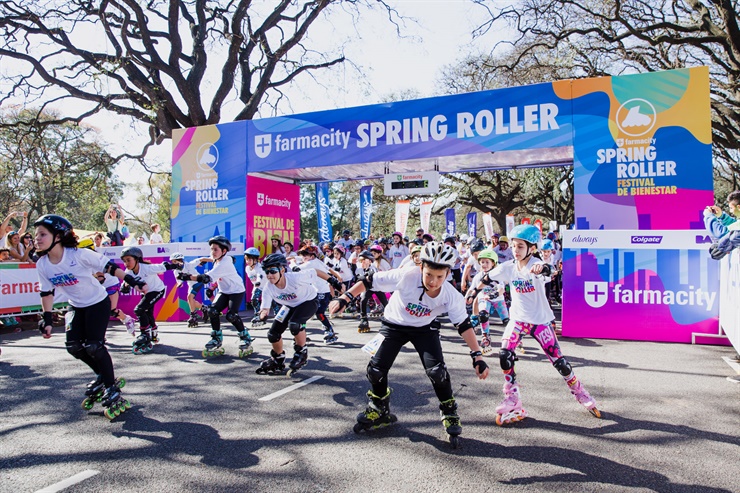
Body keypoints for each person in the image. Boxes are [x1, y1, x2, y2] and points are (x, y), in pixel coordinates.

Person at [328, 241, 489, 448]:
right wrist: (345, 297)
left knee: (437, 372)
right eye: (429, 274)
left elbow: (464, 325)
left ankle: (449, 411)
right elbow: (368, 281)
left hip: (424, 329)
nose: (433, 281)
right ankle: (379, 407)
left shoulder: (450, 294)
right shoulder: (406, 274)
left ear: (448, 273)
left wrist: (477, 355)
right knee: (375, 370)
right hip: (393, 325)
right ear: (421, 267)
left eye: (440, 277)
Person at [469, 224, 601, 425]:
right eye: (513, 246)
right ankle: (513, 398)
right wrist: (472, 293)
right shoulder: (509, 267)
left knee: (560, 362)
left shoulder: (536, 265)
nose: (515, 250)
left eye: (520, 246)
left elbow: (549, 271)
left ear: (532, 248)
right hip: (518, 320)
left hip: (540, 322)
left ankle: (580, 392)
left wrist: (544, 267)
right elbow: (487, 278)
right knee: (504, 355)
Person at [34, 214, 146, 419]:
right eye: (36, 235)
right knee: (74, 347)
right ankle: (102, 376)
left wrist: (134, 281)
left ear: (58, 236)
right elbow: (46, 292)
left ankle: (110, 386)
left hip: (97, 302)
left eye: (42, 234)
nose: (37, 239)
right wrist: (47, 319)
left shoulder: (78, 255)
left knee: (94, 346)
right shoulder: (42, 264)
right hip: (76, 306)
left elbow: (110, 268)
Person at [254, 253, 338, 376]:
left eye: (272, 271)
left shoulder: (295, 278)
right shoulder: (269, 287)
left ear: (282, 270)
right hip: (290, 305)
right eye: (267, 272)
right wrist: (261, 316)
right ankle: (278, 358)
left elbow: (315, 272)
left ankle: (301, 353)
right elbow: (265, 309)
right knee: (273, 334)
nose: (269, 275)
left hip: (308, 301)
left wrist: (333, 281)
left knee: (295, 324)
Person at [178, 236, 252, 358]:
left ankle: (245, 337)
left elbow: (206, 278)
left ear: (224, 251)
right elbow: (209, 258)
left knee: (231, 316)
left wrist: (187, 277)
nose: (212, 252)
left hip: (236, 291)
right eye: (211, 249)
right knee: (212, 311)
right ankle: (216, 337)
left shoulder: (225, 262)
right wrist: (202, 260)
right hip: (224, 291)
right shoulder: (216, 258)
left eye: (215, 249)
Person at [120, 246, 173, 354]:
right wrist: (125, 287)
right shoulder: (128, 272)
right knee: (147, 312)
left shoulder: (147, 268)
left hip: (157, 290)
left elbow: (163, 267)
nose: (126, 263)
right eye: (124, 261)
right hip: (147, 293)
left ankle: (145, 333)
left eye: (129, 260)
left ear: (137, 259)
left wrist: (176, 265)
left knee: (139, 310)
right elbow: (124, 287)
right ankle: (153, 331)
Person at [78, 238, 137, 335]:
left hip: (110, 285)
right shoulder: (83, 262)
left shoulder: (95, 259)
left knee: (111, 310)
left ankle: (127, 320)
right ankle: (96, 334)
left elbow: (101, 278)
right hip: (100, 287)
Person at [294, 245, 343, 344]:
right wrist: (338, 276)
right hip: (316, 292)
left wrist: (291, 262)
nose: (303, 257)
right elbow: (329, 269)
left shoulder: (310, 263)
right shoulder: (318, 262)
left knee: (319, 313)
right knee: (306, 313)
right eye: (302, 255)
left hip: (322, 292)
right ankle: (303, 333)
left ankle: (329, 331)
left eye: (305, 255)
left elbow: (295, 269)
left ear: (312, 256)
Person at [465, 249, 509, 356]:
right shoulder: (478, 276)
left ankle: (511, 339)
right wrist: (468, 297)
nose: (484, 264)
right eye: (482, 262)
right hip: (484, 299)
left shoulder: (496, 275)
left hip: (498, 299)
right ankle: (486, 338)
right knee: (483, 315)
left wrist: (493, 295)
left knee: (506, 321)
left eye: (487, 262)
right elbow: (472, 288)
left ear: (493, 263)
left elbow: (501, 289)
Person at [169, 252, 208, 328]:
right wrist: (179, 284)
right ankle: (203, 307)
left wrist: (213, 260)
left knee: (190, 297)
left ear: (180, 260)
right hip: (191, 284)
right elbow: (178, 280)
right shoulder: (176, 271)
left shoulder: (189, 265)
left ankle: (193, 315)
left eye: (174, 261)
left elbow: (201, 259)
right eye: (172, 262)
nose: (173, 263)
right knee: (190, 301)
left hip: (198, 281)